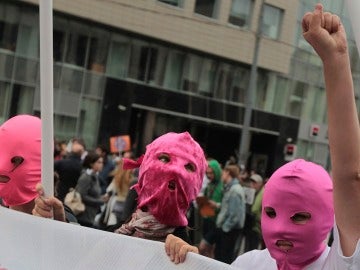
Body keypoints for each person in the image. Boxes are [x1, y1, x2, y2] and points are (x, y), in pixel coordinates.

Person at [164, 4, 360, 268]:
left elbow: (350, 177)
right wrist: (186, 261)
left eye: (300, 216)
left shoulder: (340, 264)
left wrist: (336, 60)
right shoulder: (251, 263)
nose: (281, 228)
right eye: (270, 212)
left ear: (329, 215)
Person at [114, 132, 207, 243]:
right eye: (164, 159)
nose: (176, 170)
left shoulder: (181, 251)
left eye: (188, 167)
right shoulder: (118, 230)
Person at [0, 114, 76, 223]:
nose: (1, 167)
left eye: (15, 160)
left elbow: (74, 236)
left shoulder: (59, 216)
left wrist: (57, 228)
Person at [196, 159, 223, 258]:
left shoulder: (222, 185)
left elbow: (225, 204)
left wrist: (216, 204)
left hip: (216, 222)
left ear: (216, 172)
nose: (209, 175)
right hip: (207, 219)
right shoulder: (209, 185)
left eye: (211, 173)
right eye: (207, 173)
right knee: (209, 250)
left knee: (202, 247)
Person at [75, 151, 108, 227]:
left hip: (91, 215)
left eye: (102, 162)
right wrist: (100, 201)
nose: (101, 165)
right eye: (99, 162)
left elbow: (93, 193)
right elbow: (81, 196)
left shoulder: (95, 176)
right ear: (91, 163)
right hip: (83, 216)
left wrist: (101, 198)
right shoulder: (86, 177)